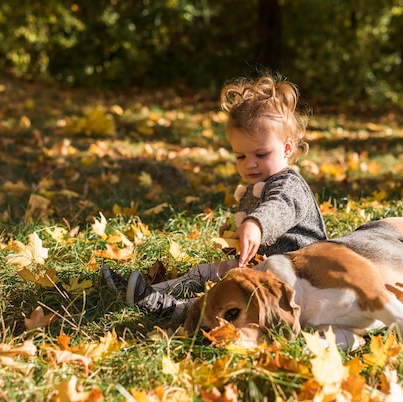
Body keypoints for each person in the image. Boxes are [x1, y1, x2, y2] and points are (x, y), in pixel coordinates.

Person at [103, 74, 327, 317]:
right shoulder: (256, 186)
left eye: (260, 155)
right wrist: (236, 239)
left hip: (300, 277)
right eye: (240, 156)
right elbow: (257, 239)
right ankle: (147, 292)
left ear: (287, 148)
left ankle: (177, 310)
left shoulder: (288, 185)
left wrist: (255, 225)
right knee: (207, 271)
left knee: (230, 291)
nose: (249, 164)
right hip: (265, 267)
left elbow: (278, 209)